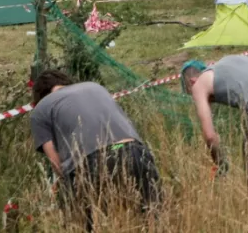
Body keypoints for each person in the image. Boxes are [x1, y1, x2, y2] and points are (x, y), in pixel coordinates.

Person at [30, 70, 160, 228]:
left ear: (40, 96)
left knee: (78, 224)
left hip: (91, 161)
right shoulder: (95, 87)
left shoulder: (40, 109)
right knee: (154, 219)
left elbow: (56, 163)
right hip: (135, 150)